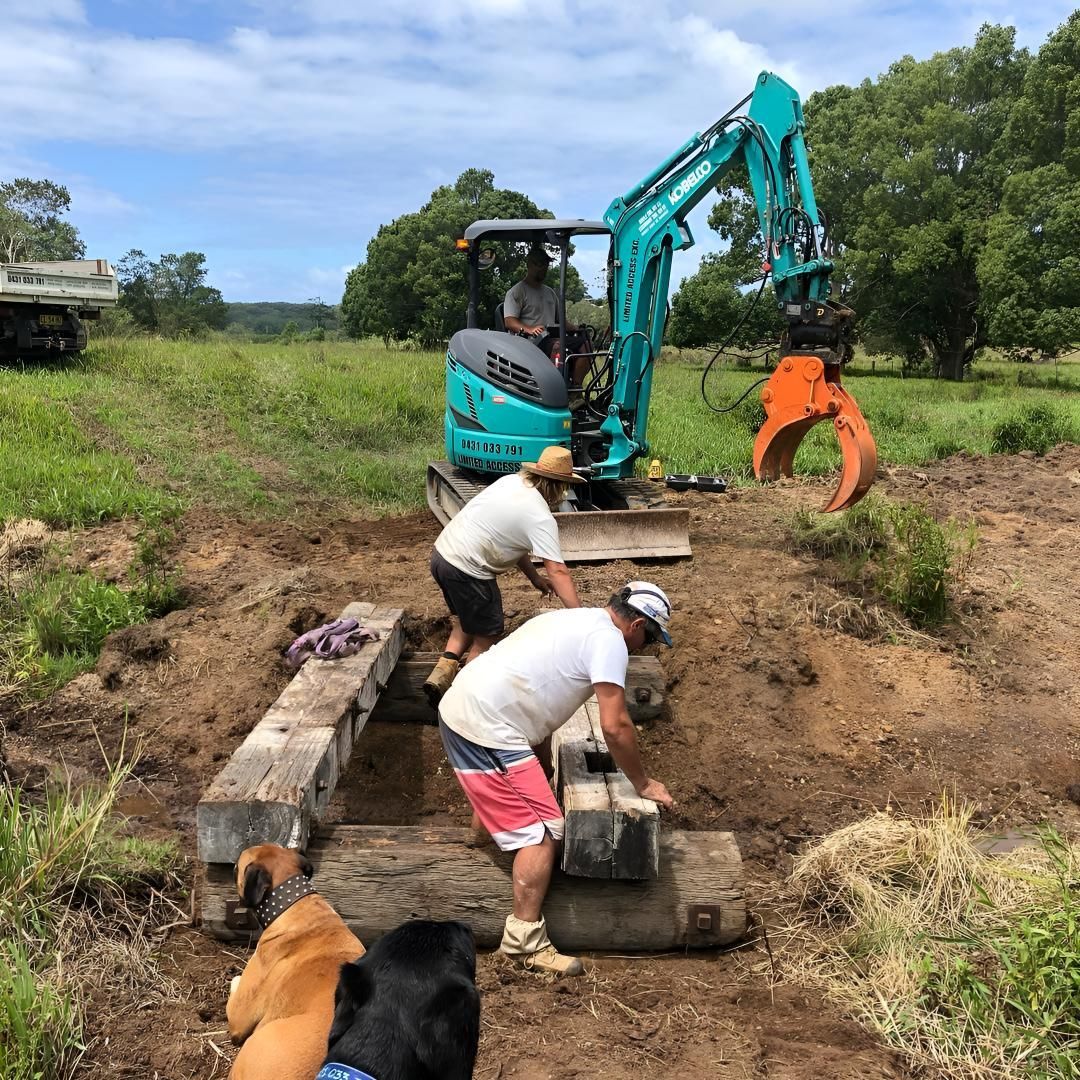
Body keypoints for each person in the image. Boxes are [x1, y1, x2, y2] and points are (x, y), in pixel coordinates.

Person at [437, 581, 676, 976]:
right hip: (486, 726)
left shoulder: (574, 619)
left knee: (522, 799)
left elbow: (538, 690)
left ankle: (486, 834)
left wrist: (542, 764)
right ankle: (524, 944)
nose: (642, 648)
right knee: (543, 831)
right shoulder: (610, 643)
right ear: (636, 625)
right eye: (649, 639)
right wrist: (643, 783)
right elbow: (615, 726)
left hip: (469, 708)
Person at [423, 445, 583, 707]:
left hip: (443, 556)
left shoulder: (511, 483)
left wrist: (534, 579)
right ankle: (461, 701)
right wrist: (581, 618)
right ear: (557, 487)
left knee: (467, 620)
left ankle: (441, 674)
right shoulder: (540, 516)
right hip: (468, 570)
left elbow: (511, 542)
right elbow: (558, 570)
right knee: (487, 635)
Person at [504, 247, 592, 392]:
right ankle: (552, 390)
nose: (543, 269)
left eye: (545, 265)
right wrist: (530, 329)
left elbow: (560, 320)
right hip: (528, 342)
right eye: (539, 264)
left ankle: (575, 390)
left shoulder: (550, 293)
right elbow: (509, 321)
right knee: (558, 345)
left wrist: (577, 329)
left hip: (550, 337)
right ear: (529, 264)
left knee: (585, 345)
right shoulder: (517, 292)